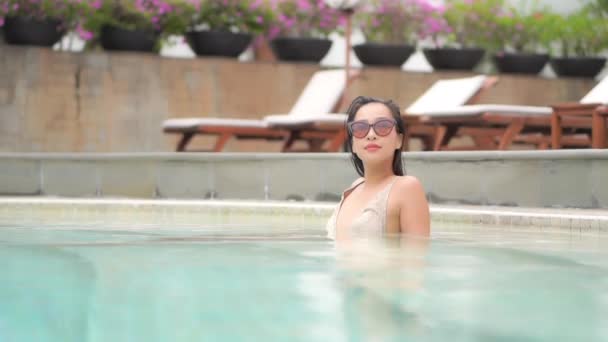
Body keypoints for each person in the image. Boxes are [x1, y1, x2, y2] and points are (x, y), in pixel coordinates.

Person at [326, 96, 430, 240]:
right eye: (360, 128)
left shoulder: (407, 188)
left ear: (399, 140)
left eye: (383, 126)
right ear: (353, 145)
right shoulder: (353, 188)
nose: (371, 135)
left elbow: (415, 258)